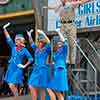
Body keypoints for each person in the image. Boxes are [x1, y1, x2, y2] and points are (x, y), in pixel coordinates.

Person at [3, 23, 33, 100]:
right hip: (11, 68)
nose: (15, 41)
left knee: (11, 85)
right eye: (15, 40)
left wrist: (24, 65)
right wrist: (4, 29)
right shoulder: (13, 47)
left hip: (18, 68)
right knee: (12, 85)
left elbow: (31, 59)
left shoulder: (24, 50)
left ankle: (17, 98)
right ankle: (16, 99)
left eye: (17, 40)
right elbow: (8, 38)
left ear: (21, 41)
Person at [27, 29, 51, 100]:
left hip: (43, 70)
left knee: (42, 88)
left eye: (41, 42)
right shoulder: (36, 49)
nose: (39, 43)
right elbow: (31, 43)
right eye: (38, 41)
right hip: (35, 70)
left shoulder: (46, 49)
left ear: (43, 43)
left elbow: (49, 42)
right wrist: (29, 35)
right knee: (31, 85)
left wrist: (43, 33)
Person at [47, 29, 69, 100]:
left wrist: (59, 32)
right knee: (54, 89)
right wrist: (54, 63)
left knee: (52, 88)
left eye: (60, 41)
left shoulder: (64, 49)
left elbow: (64, 42)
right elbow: (56, 60)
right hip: (56, 71)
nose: (59, 42)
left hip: (60, 71)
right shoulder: (57, 52)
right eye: (58, 41)